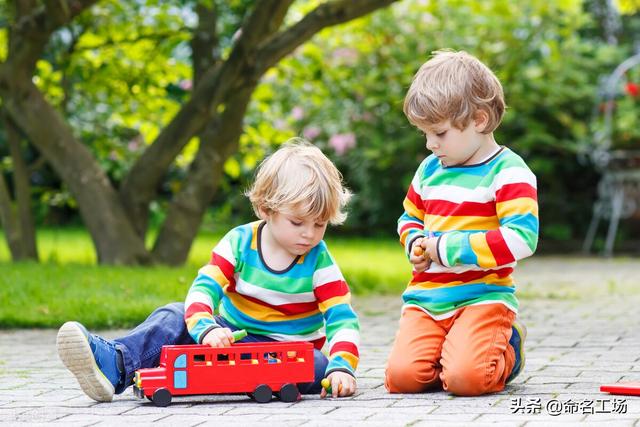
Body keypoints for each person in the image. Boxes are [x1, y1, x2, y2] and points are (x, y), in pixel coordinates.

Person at [57, 138, 360, 402]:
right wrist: (208, 328)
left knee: (318, 365)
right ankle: (116, 364)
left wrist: (341, 366)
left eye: (319, 224)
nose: (309, 234)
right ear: (266, 209)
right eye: (298, 223)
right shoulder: (241, 243)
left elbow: (341, 317)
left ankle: (305, 371)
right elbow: (205, 287)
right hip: (231, 337)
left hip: (287, 353)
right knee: (174, 316)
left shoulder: (319, 260)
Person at [384, 50, 539, 396]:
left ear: (479, 120)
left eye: (438, 133)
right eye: (424, 134)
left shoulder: (509, 172)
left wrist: (445, 247)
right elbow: (410, 217)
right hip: (428, 298)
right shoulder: (429, 170)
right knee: (402, 379)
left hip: (482, 296)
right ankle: (457, 349)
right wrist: (414, 244)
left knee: (467, 381)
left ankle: (508, 346)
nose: (430, 144)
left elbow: (522, 238)